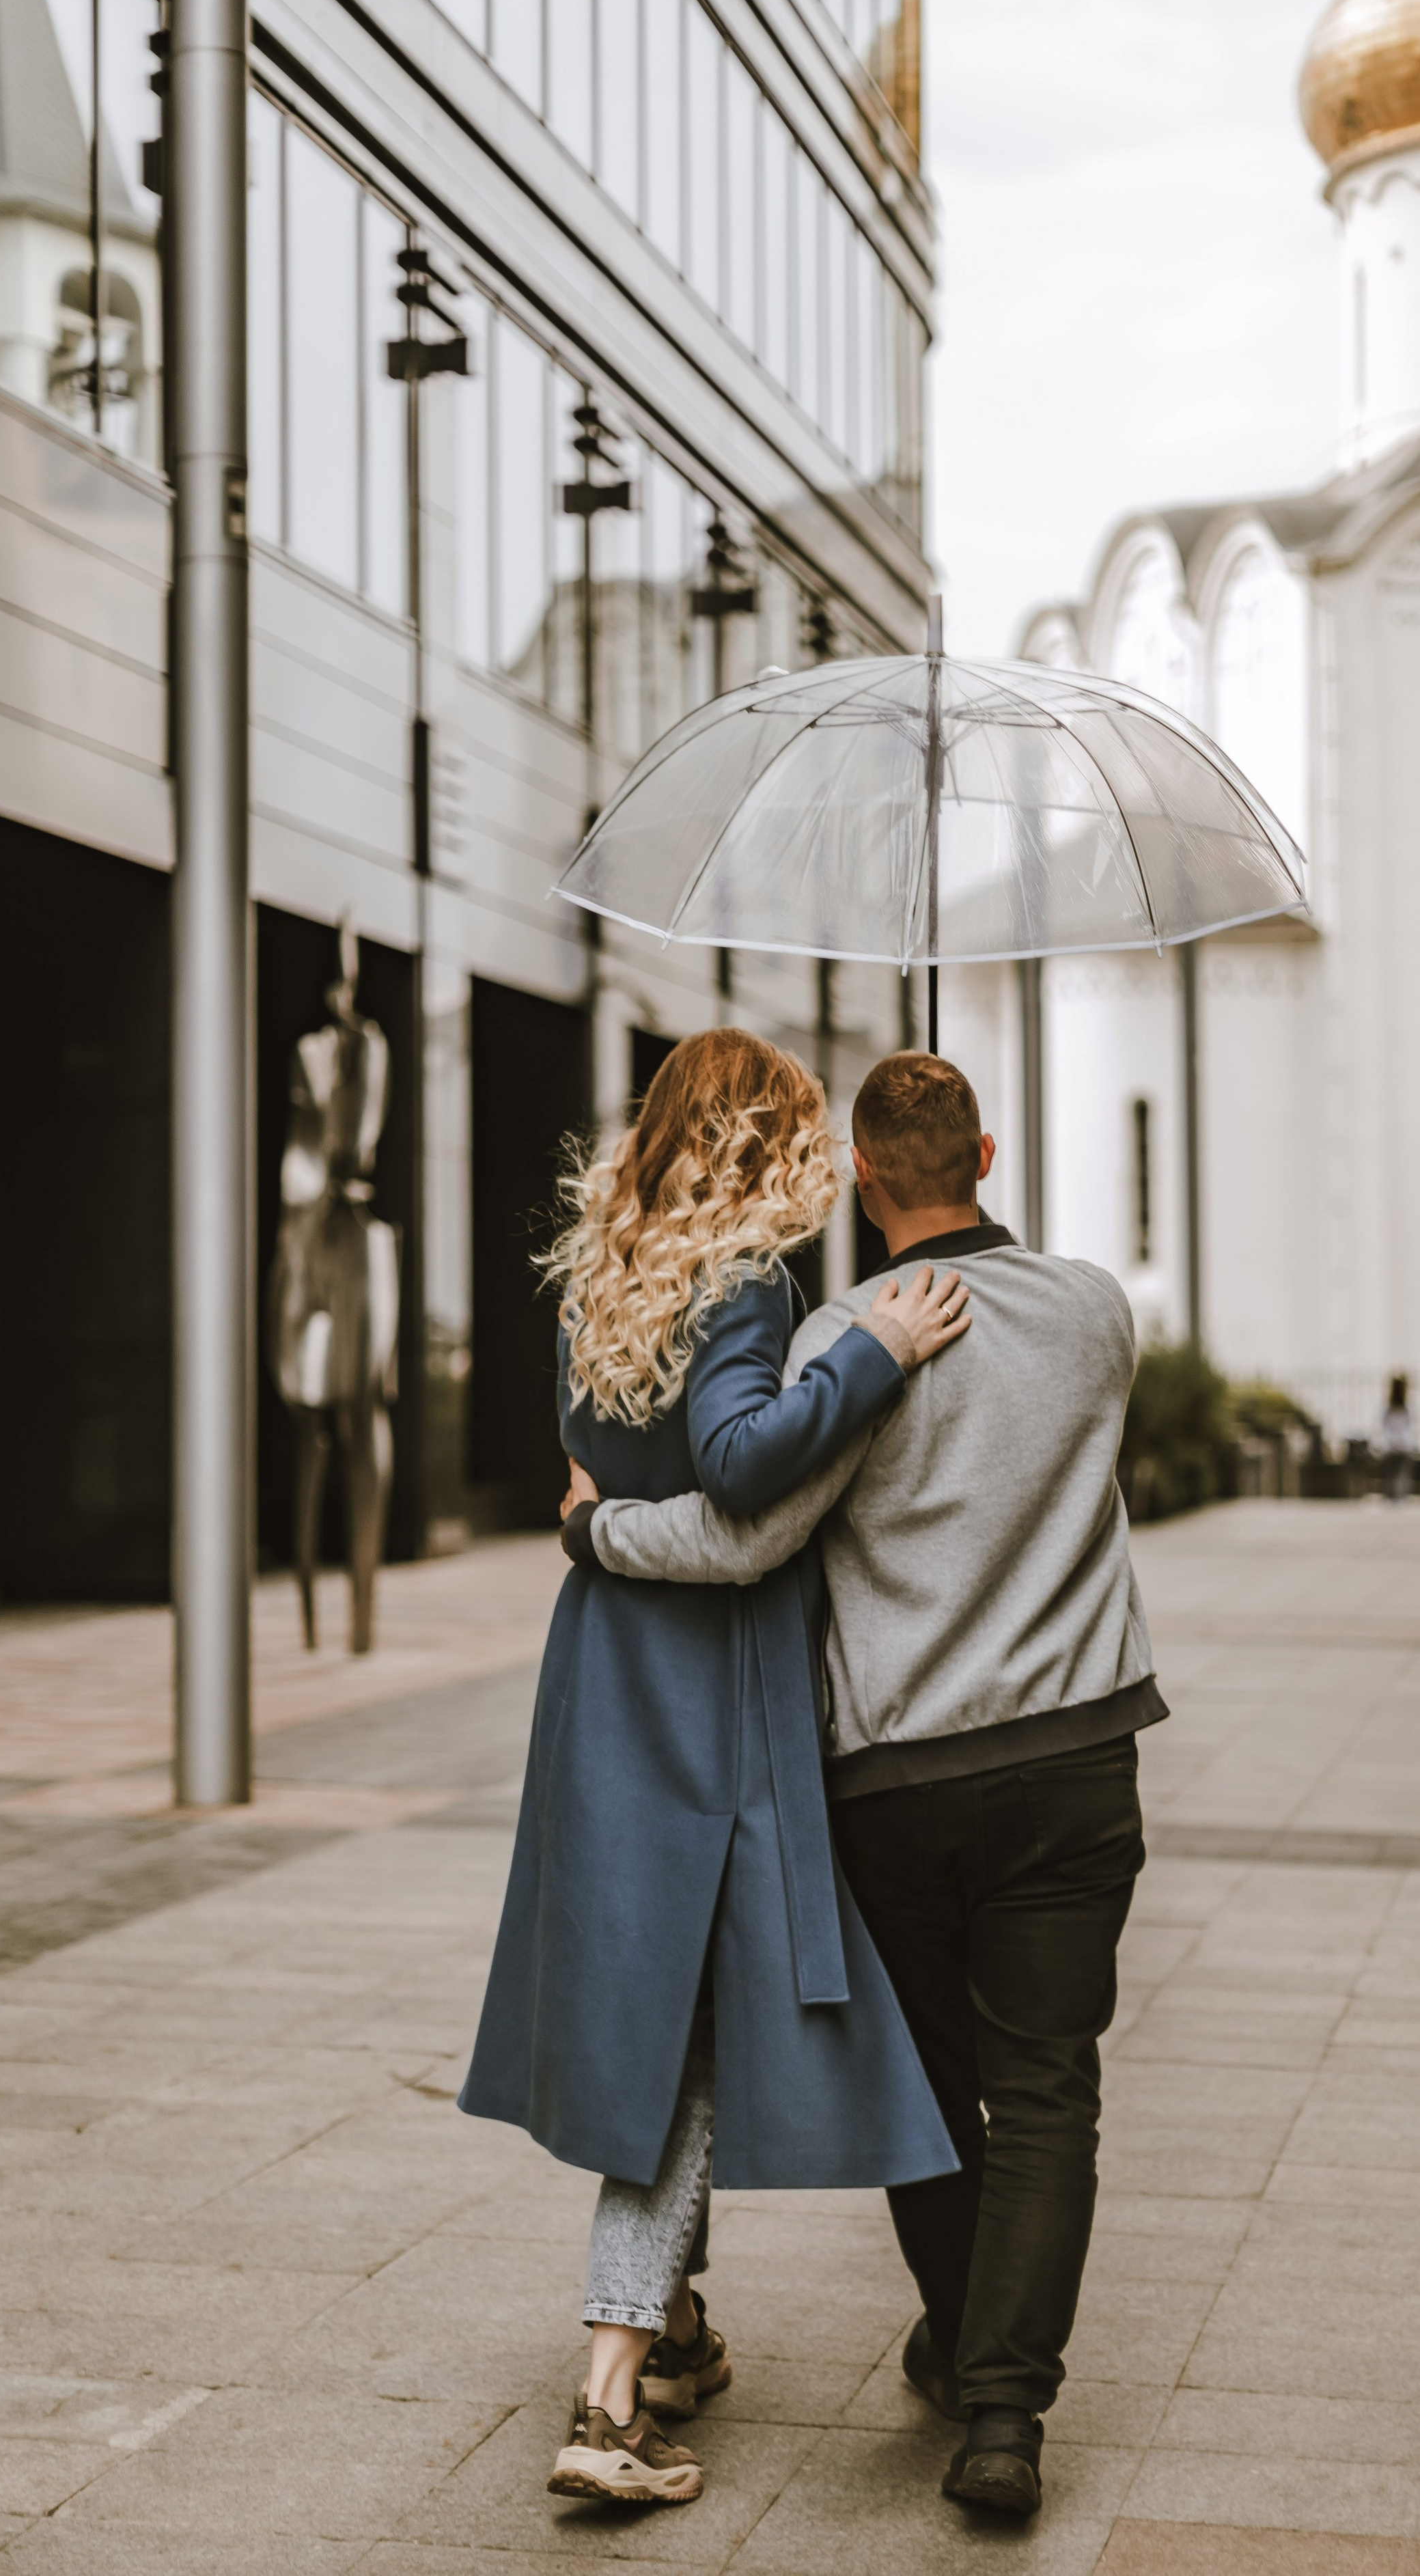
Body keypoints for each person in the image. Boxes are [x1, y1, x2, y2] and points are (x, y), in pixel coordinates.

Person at [565, 1051, 1164, 2522]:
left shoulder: (850, 1333)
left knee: (935, 2092)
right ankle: (1001, 2412)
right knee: (1045, 2089)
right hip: (1078, 1752)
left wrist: (598, 1535)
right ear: (989, 1148)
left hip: (899, 1773)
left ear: (859, 1174)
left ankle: (966, 2345)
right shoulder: (1095, 1310)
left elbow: (744, 1534)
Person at [456, 1030, 967, 2509]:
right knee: (682, 2038)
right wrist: (875, 1349)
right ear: (767, 1145)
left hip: (607, 1666)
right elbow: (742, 1466)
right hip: (705, 1685)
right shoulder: (750, 1283)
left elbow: (600, 1472)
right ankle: (610, 2395)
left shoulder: (605, 1274)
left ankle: (674, 2332)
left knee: (652, 1985)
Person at [1377, 1372, 1415, 1503]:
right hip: (1403, 1445)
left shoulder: (1388, 1409)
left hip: (1391, 1445)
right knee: (1401, 1473)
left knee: (1392, 1473)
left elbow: (1384, 1425)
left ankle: (1393, 1496)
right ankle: (1400, 1496)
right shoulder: (1407, 1409)